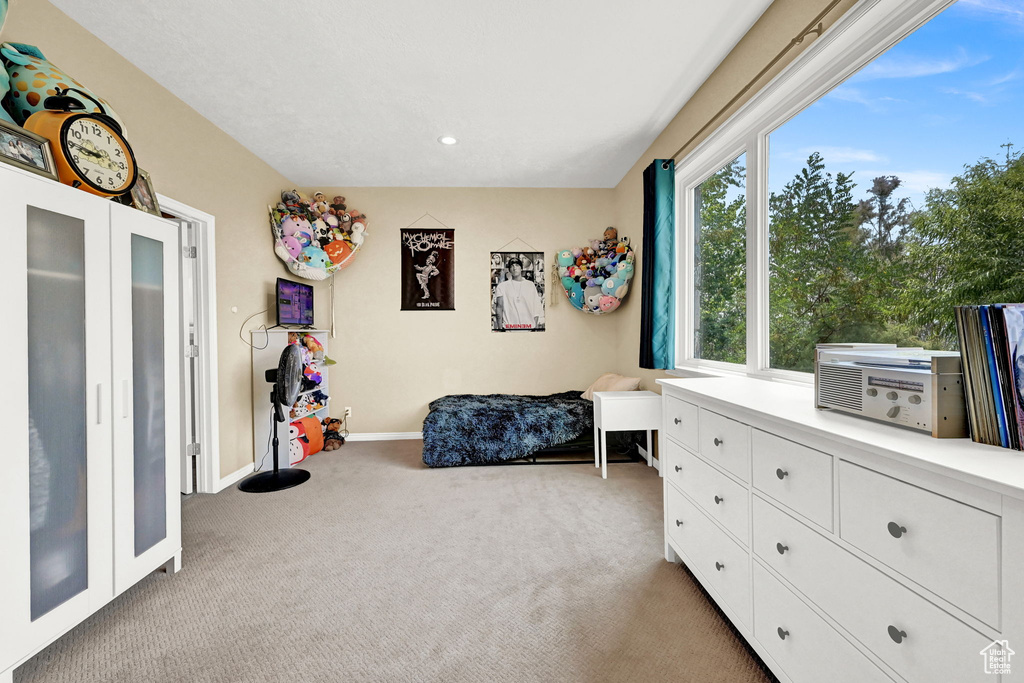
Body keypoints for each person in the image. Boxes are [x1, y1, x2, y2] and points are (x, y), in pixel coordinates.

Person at [494, 256, 542, 330]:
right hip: (509, 328)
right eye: (512, 266)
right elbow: (499, 308)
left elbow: (536, 306)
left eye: (517, 265)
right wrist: (500, 329)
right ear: (509, 269)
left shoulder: (530, 285)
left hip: (528, 328)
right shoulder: (502, 286)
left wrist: (534, 326)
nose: (514, 268)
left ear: (521, 268)